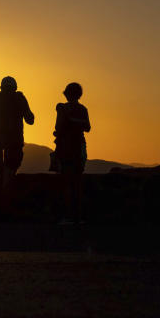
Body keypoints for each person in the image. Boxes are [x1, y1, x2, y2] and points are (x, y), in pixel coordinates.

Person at [53, 82, 91, 224]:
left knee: (66, 181)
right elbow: (87, 127)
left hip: (65, 147)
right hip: (79, 147)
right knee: (77, 181)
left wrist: (68, 121)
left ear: (67, 94)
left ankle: (67, 216)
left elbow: (58, 127)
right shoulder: (83, 109)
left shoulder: (62, 108)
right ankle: (78, 216)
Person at [0, 76, 35, 189]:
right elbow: (30, 120)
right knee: (10, 169)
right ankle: (5, 190)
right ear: (15, 88)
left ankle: (1, 168)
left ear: (1, 88)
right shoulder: (18, 98)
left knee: (4, 166)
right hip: (14, 139)